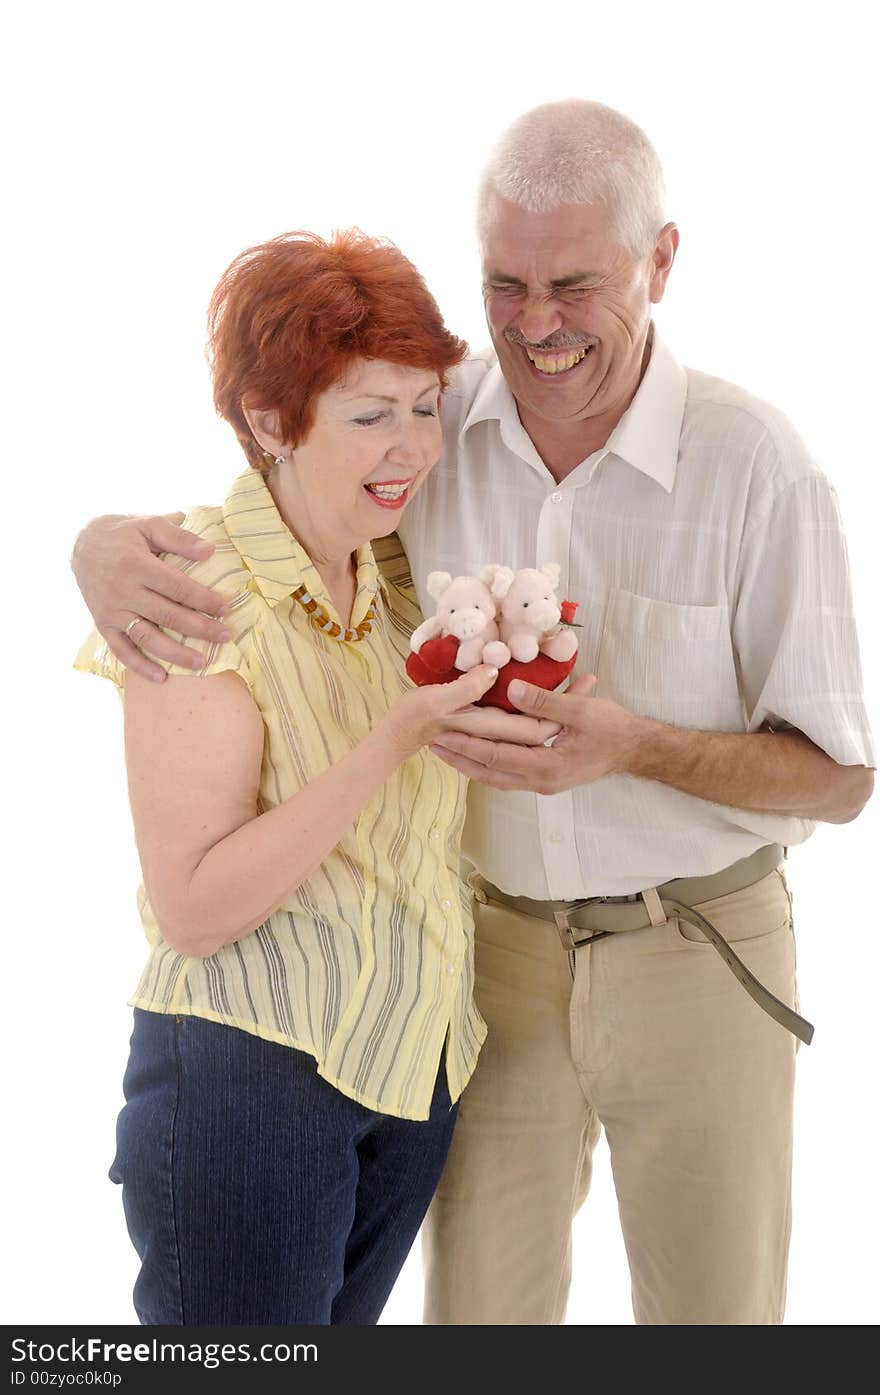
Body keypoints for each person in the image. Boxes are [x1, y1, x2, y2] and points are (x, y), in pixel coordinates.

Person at [72, 102, 875, 1326]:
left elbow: (841, 778)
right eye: (506, 282)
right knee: (478, 1324)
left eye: (576, 284)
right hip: (478, 975)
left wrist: (634, 748)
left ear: (660, 264)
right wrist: (92, 543)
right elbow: (284, 441)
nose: (537, 325)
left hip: (690, 951)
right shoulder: (427, 419)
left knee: (718, 1323)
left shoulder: (756, 465)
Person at [73, 227, 549, 1326]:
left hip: (410, 1069)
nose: (412, 446)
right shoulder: (196, 592)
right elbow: (194, 907)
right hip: (252, 1085)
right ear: (270, 423)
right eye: (369, 416)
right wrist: (393, 737)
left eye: (424, 407)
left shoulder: (400, 571)